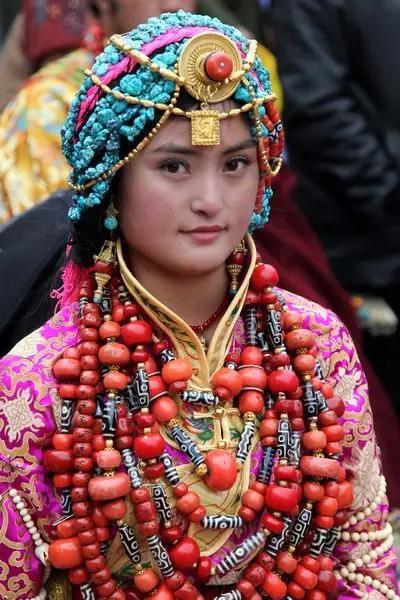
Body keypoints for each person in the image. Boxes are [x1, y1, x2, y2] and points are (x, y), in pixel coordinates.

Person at [0, 11, 397, 599]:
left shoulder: (317, 343)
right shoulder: (35, 383)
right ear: (112, 181)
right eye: (174, 166)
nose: (211, 200)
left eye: (235, 164)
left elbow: (366, 563)